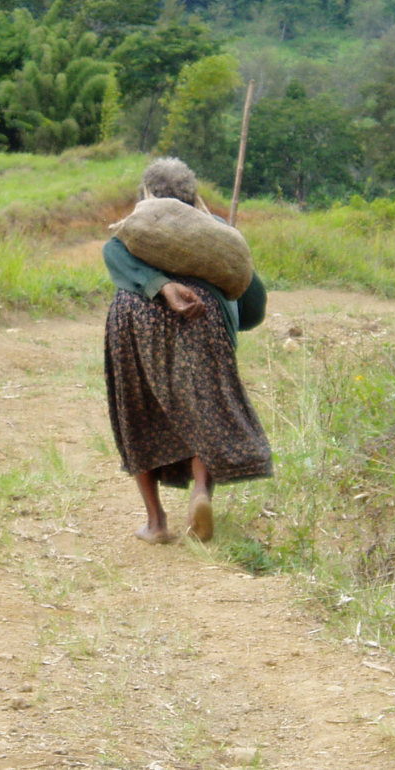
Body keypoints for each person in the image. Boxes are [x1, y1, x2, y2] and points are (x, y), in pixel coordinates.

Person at [103, 157, 272, 544]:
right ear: (191, 194)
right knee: (204, 408)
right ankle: (200, 493)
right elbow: (253, 303)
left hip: (133, 316)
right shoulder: (217, 234)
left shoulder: (135, 232)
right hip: (203, 312)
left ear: (146, 194)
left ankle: (156, 523)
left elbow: (111, 252)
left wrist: (158, 285)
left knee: (137, 410)